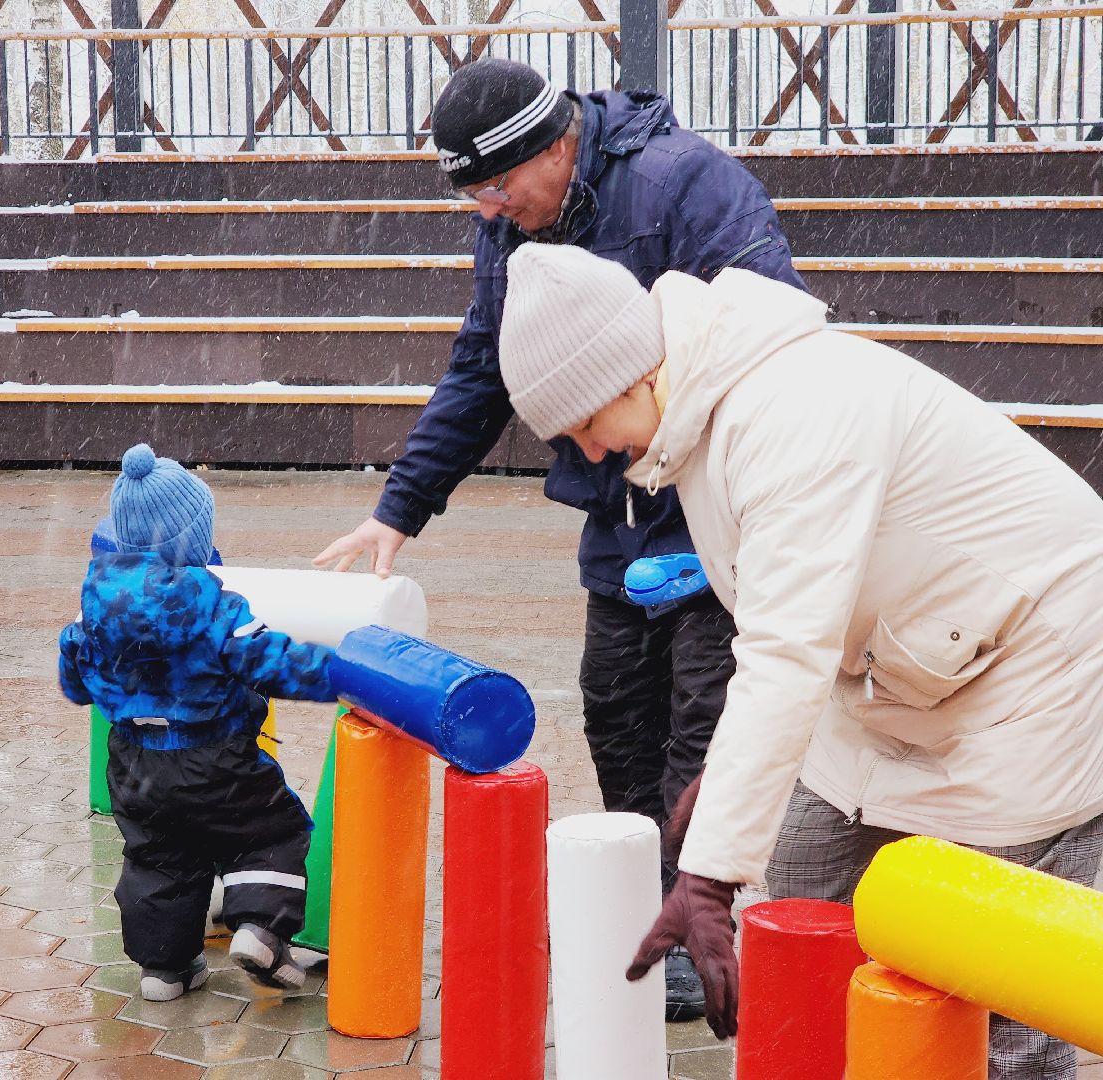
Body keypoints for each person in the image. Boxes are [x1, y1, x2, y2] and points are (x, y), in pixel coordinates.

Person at [495, 242, 1103, 1079]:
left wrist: (705, 878)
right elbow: (778, 626)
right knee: (801, 911)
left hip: (1045, 665)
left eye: (585, 429)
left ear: (631, 376)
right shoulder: (695, 423)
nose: (591, 455)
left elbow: (787, 653)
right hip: (909, 667)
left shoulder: (791, 412)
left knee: (1004, 985)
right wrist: (745, 771)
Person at [313, 55, 805, 1020]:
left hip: (711, 512)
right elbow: (481, 368)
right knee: (616, 715)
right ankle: (638, 903)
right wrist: (398, 508)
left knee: (700, 729)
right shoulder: (511, 226)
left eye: (497, 186)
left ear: (556, 144)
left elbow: (772, 331)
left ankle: (699, 916)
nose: (488, 211)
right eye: (471, 199)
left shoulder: (684, 185)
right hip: (616, 516)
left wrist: (719, 486)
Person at [58, 444, 337, 1001]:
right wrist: (339, 674)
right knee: (269, 832)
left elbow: (74, 683)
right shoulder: (213, 605)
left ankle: (165, 969)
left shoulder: (93, 607)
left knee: (158, 857)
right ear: (189, 539)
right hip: (216, 758)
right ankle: (260, 929)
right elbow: (269, 663)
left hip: (134, 765)